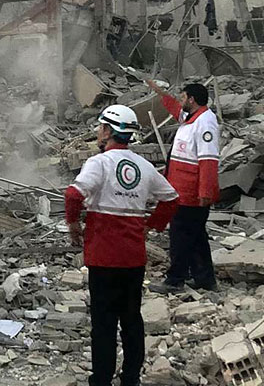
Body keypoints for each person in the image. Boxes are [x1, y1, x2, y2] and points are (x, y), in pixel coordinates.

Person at [64, 104, 179, 386]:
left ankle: (102, 379)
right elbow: (171, 198)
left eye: (100, 127)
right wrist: (151, 225)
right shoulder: (144, 166)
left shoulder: (99, 163)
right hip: (133, 257)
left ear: (107, 130)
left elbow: (73, 195)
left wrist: (74, 226)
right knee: (131, 320)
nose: (98, 132)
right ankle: (131, 379)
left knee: (103, 323)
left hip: (103, 256)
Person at [146, 80, 220, 291]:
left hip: (191, 193)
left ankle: (175, 280)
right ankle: (205, 279)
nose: (180, 100)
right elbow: (176, 110)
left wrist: (205, 192)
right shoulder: (191, 118)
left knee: (180, 236)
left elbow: (208, 160)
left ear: (192, 100)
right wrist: (161, 93)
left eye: (183, 97)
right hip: (182, 189)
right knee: (196, 237)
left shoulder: (205, 123)